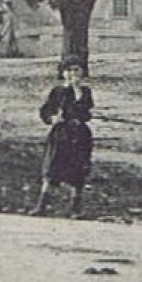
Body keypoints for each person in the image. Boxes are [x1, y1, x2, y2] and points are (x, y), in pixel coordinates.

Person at [31, 54, 94, 217]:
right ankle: (42, 205)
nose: (73, 74)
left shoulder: (85, 92)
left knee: (77, 170)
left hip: (79, 135)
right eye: (69, 70)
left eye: (76, 70)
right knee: (52, 168)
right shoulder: (57, 92)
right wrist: (52, 118)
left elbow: (85, 111)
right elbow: (45, 110)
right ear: (62, 73)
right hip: (61, 135)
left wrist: (77, 90)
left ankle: (75, 208)